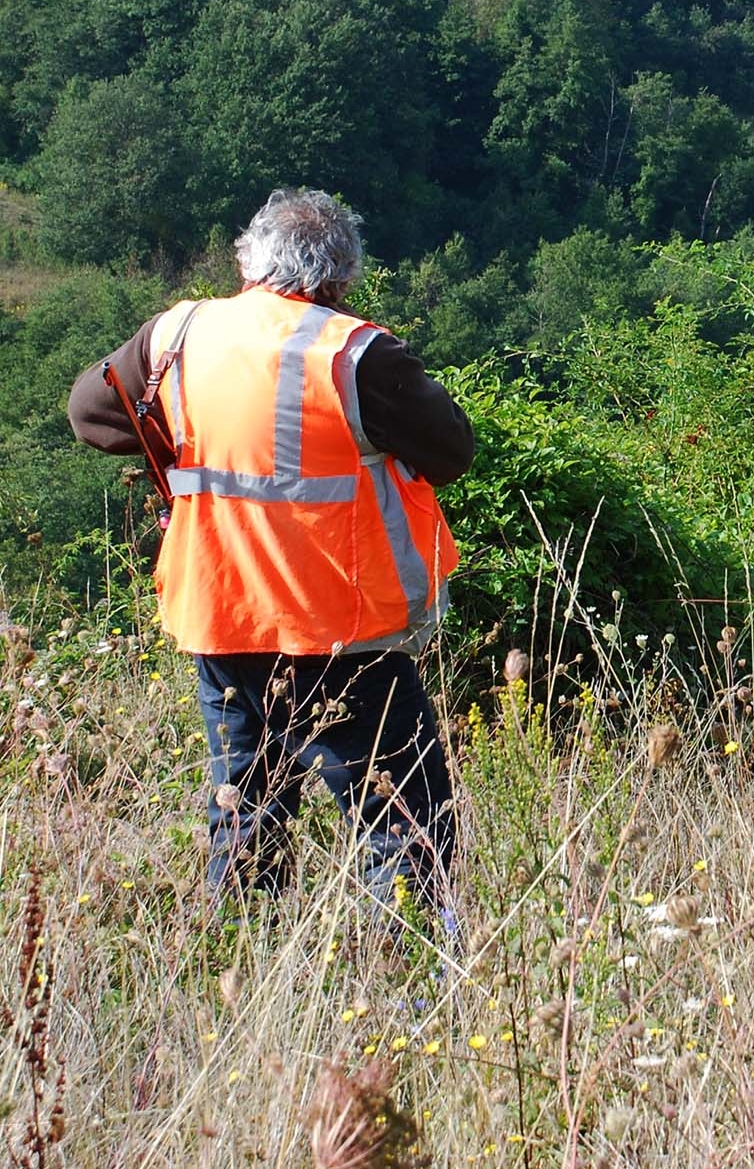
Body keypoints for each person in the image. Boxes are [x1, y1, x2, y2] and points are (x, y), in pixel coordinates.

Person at [68, 188, 474, 913]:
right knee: (405, 827)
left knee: (246, 815)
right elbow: (451, 449)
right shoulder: (356, 355)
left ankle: (246, 973)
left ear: (247, 259)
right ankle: (416, 994)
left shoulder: (177, 334)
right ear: (339, 278)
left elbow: (89, 410)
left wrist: (186, 439)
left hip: (222, 617)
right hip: (342, 631)